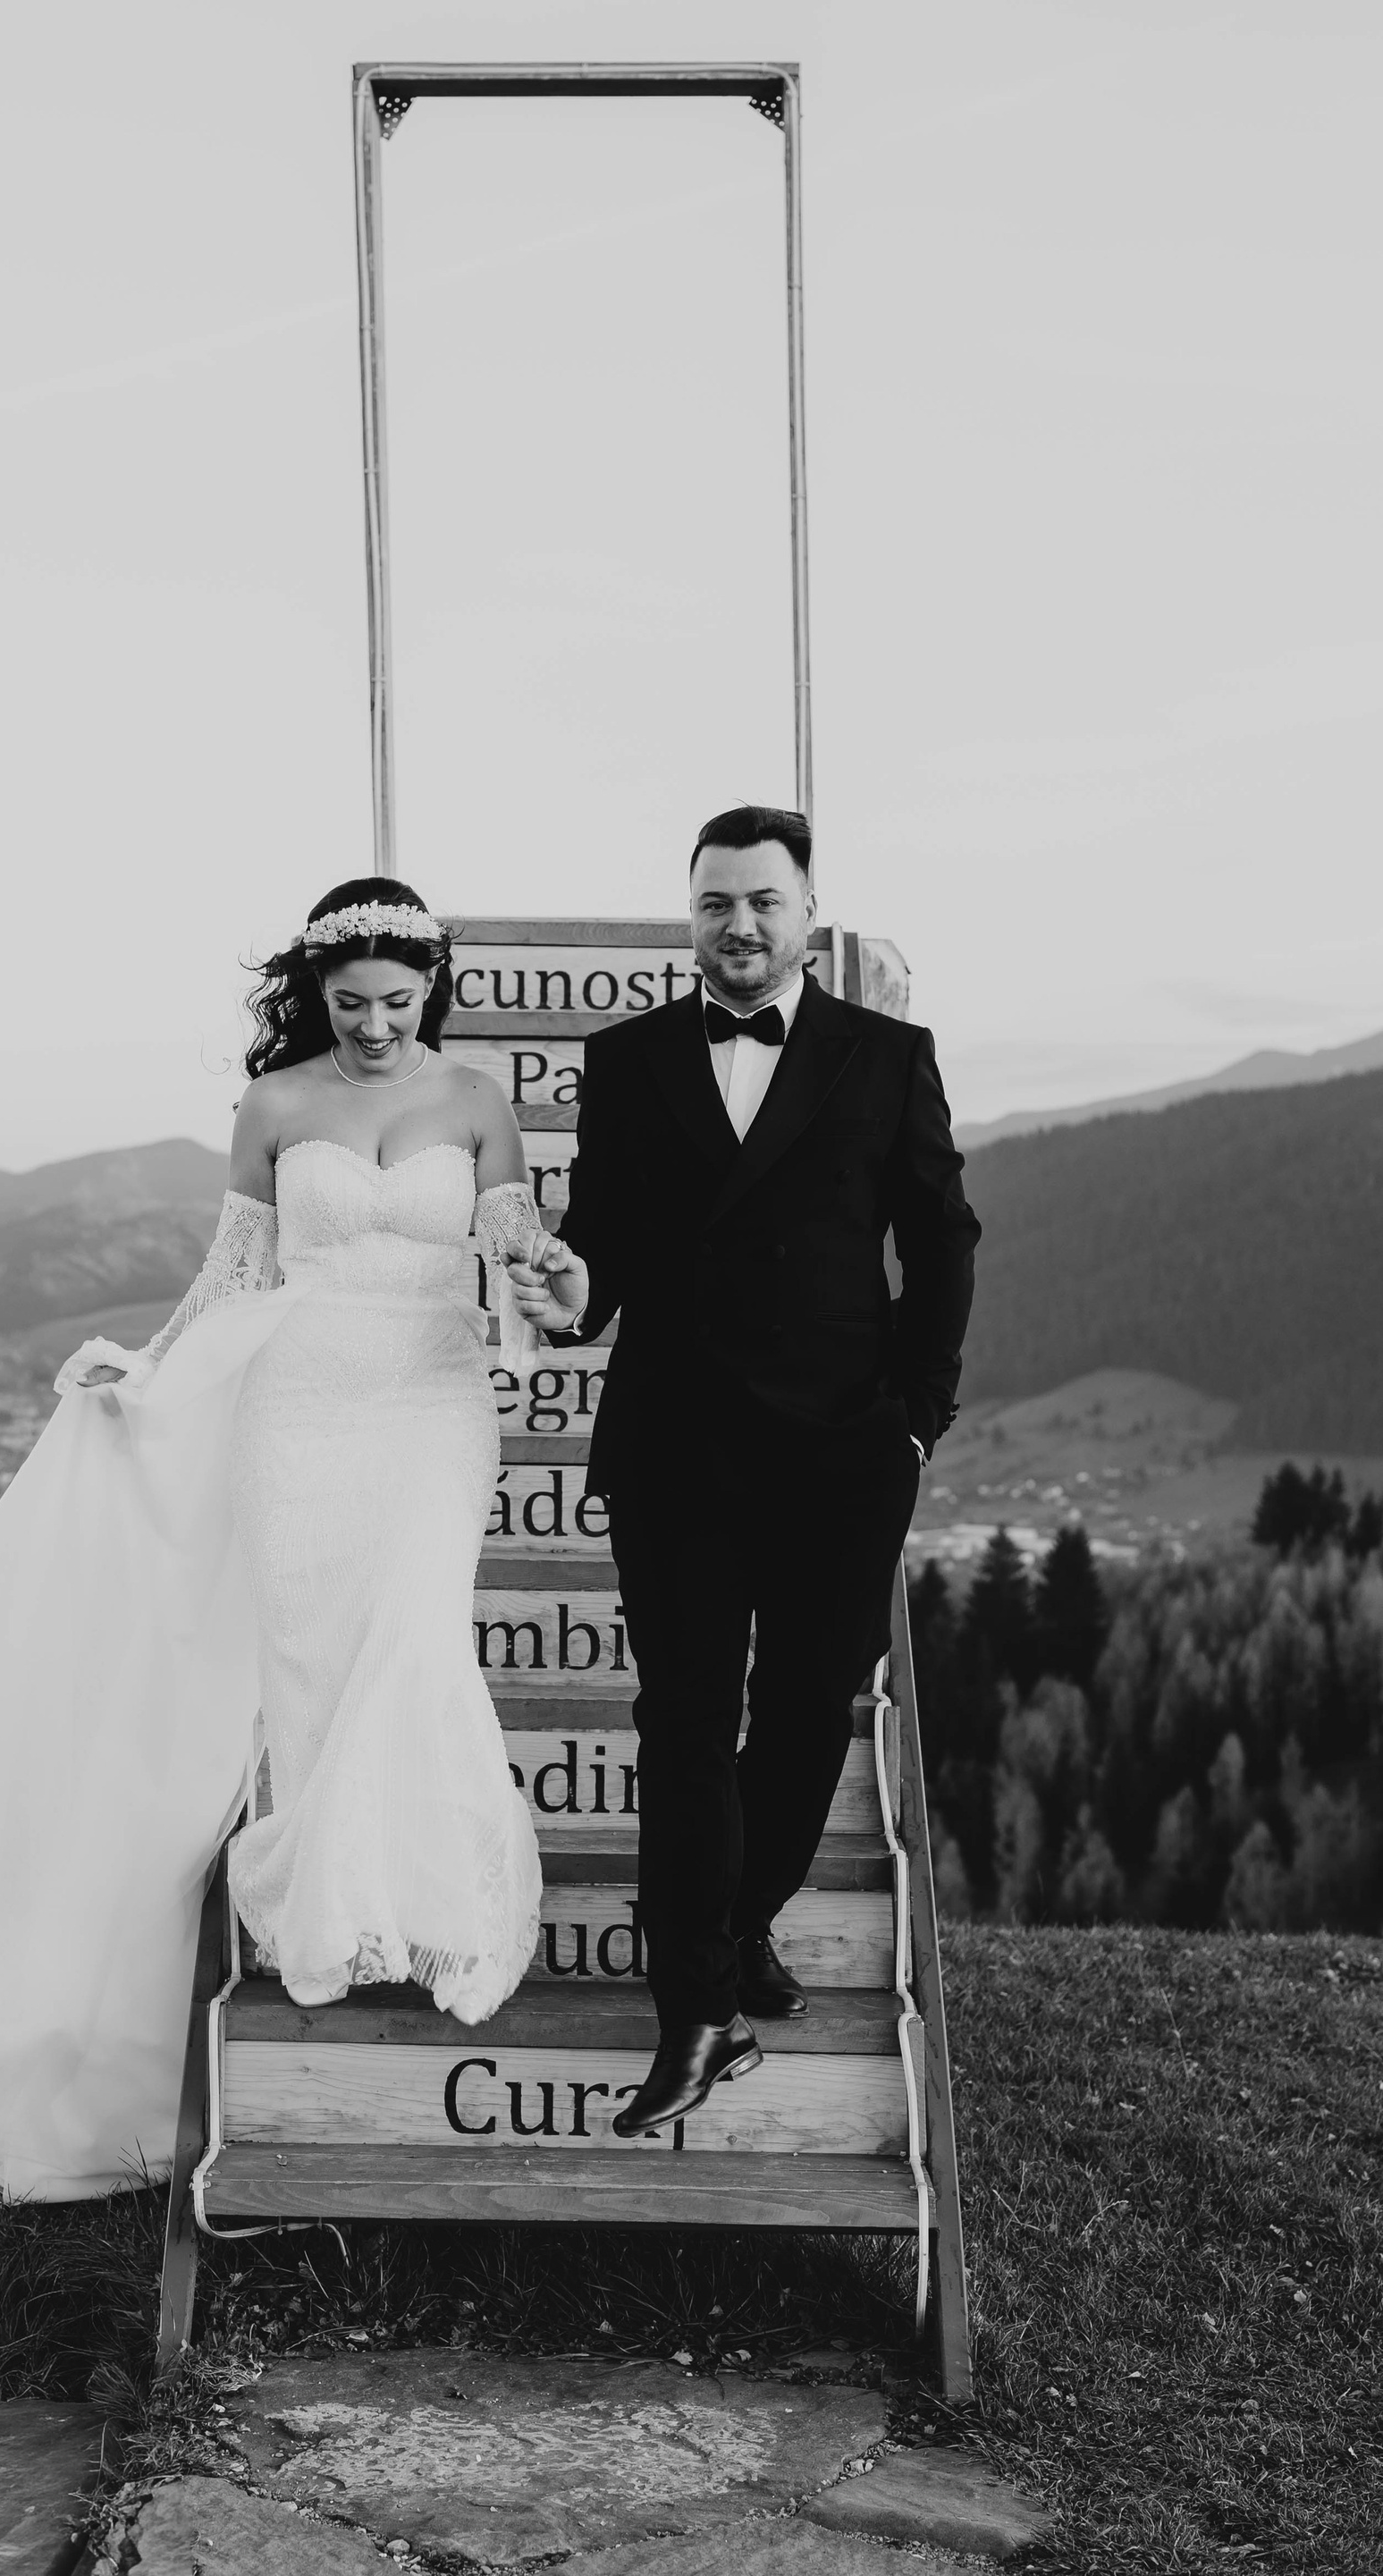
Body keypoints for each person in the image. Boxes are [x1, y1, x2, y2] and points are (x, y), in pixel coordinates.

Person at [0, 880, 550, 2199]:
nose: (373, 1025)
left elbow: (514, 1241)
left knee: (415, 1638)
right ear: (317, 995)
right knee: (307, 1666)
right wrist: (145, 1372)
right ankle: (332, 1919)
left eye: (395, 1001)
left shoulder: (478, 1100)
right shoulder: (275, 1104)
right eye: (349, 1003)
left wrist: (539, 1273)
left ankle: (438, 1915)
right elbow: (234, 1276)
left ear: (432, 987)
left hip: (431, 1401)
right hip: (295, 1405)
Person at [509, 805, 980, 2138]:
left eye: (764, 901)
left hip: (842, 1453)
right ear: (691, 915)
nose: (740, 925)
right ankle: (697, 2010)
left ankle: (739, 1917)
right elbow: (604, 1247)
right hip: (677, 1447)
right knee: (683, 1724)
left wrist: (915, 1419)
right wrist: (574, 1291)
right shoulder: (629, 1059)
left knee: (804, 1723)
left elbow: (943, 1241)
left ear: (807, 914)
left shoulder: (887, 1056)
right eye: (716, 902)